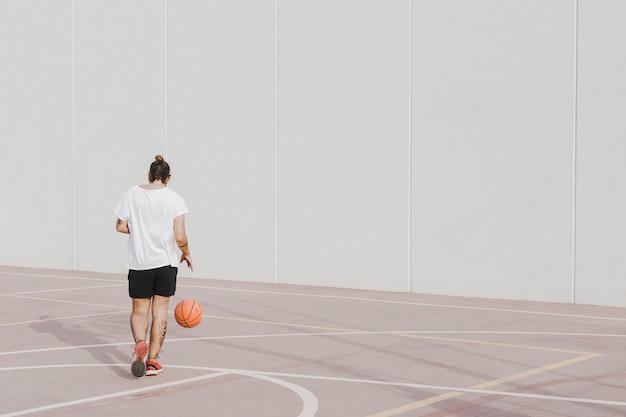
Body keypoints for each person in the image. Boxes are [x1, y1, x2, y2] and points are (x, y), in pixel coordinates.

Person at [114, 155, 193, 377]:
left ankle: (140, 343)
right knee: (160, 312)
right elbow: (179, 236)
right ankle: (152, 362)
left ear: (149, 175)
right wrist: (186, 253)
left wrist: (139, 232)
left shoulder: (132, 193)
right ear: (168, 178)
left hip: (139, 262)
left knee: (139, 311)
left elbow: (120, 226)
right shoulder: (175, 199)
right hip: (165, 263)